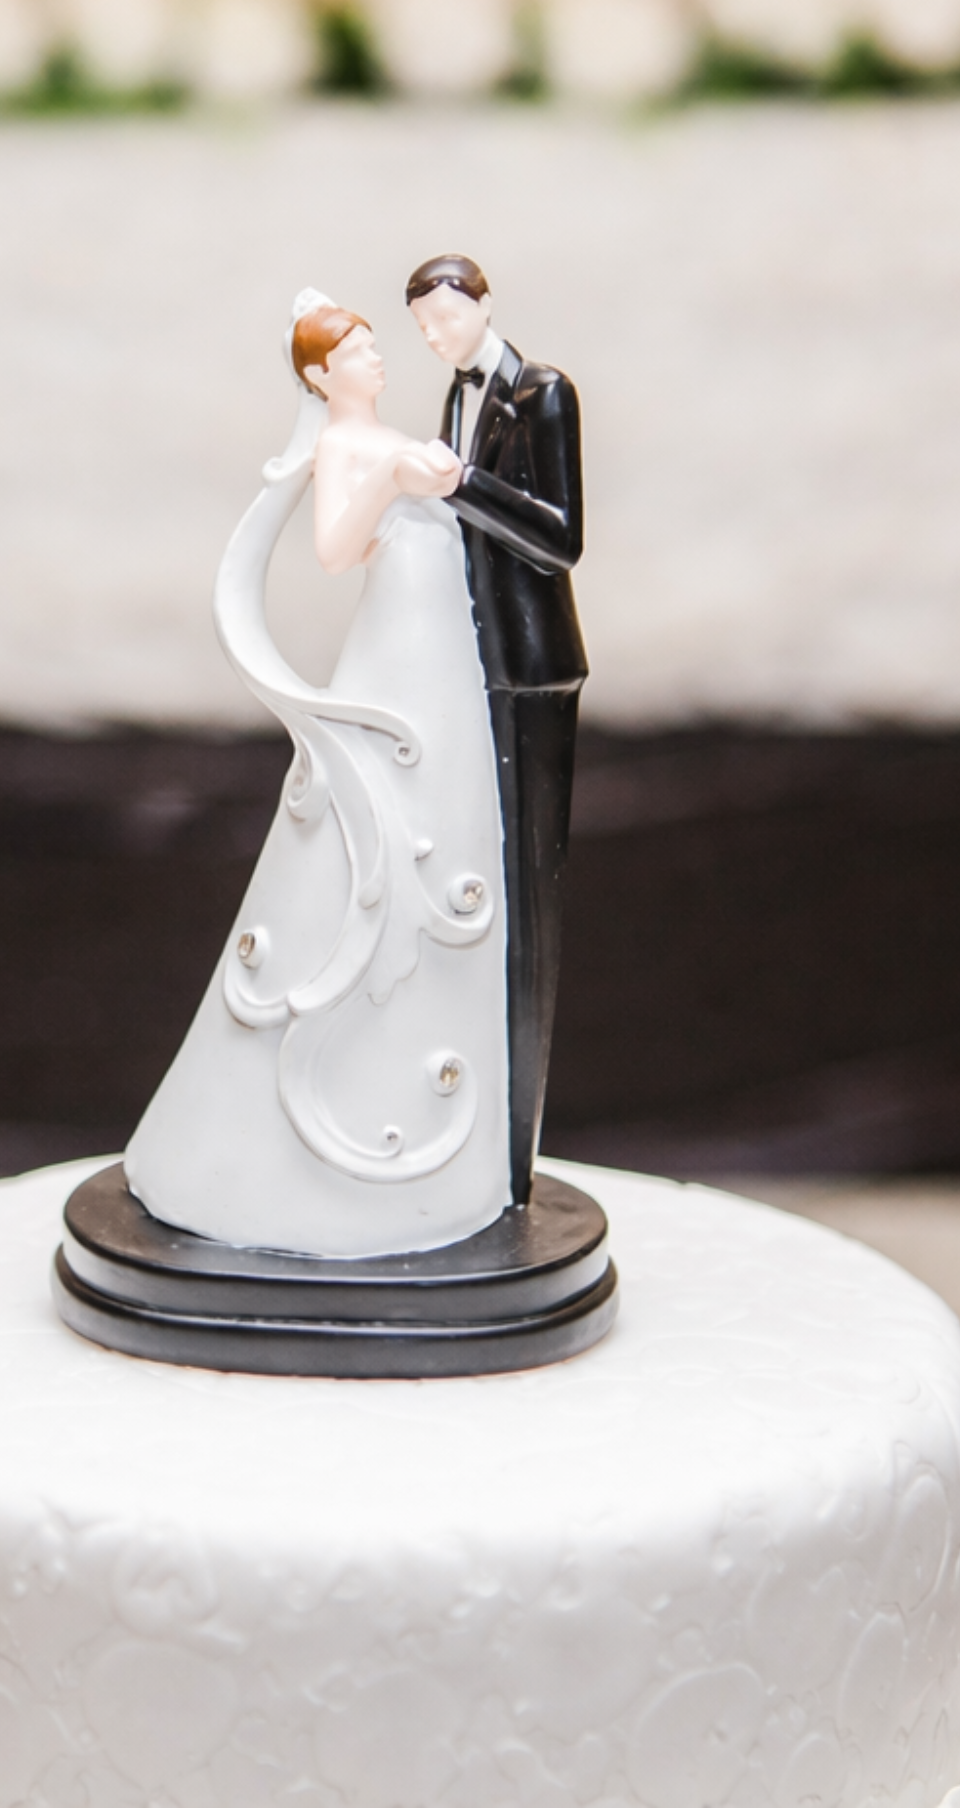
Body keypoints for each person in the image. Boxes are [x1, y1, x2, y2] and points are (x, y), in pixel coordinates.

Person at [123, 293, 517, 1258]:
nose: (376, 360)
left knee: (444, 829)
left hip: (439, 652)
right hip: (398, 652)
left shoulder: (386, 434)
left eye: (375, 346)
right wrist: (394, 478)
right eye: (357, 352)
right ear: (319, 377)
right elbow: (337, 550)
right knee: (375, 824)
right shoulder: (349, 447)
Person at [405, 254, 586, 1207]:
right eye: (423, 329)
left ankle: (517, 1160)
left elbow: (559, 536)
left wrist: (463, 483)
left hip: (531, 661)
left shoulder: (542, 393)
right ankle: (479, 1146)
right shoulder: (454, 395)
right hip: (467, 657)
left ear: (480, 305)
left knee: (529, 885)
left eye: (445, 319)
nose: (436, 338)